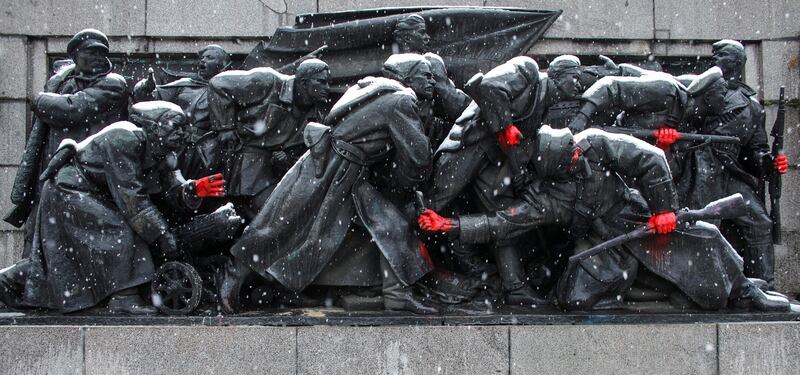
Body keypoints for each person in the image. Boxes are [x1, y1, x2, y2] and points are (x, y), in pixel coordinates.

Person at [419, 126, 789, 312]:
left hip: (637, 216)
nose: (578, 158)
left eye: (577, 154)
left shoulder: (592, 142)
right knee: (574, 298)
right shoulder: (546, 197)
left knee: (704, 237)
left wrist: (664, 209)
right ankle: (657, 284)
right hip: (604, 241)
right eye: (572, 161)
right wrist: (450, 225)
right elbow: (503, 223)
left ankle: (744, 289)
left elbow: (649, 159)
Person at [216, 54, 438, 315]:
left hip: (344, 169)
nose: (432, 81)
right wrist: (404, 183)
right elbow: (418, 156)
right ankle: (232, 274)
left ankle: (396, 294)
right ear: (407, 77)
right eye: (426, 75)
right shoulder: (401, 100)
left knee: (390, 224)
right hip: (330, 168)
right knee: (280, 226)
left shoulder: (371, 89)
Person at [0, 102, 225, 314]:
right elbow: (132, 199)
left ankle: (9, 280)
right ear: (154, 126)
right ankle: (124, 298)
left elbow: (172, 189)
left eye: (185, 127)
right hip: (71, 189)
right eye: (175, 126)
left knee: (68, 261)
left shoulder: (165, 152)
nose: (183, 134)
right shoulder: (124, 138)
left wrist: (193, 190)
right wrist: (162, 234)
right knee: (119, 232)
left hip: (102, 194)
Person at [5, 29, 128, 228]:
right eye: (91, 52)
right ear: (75, 56)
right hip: (52, 169)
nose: (98, 57)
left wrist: (39, 99)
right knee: (43, 232)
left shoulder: (113, 84)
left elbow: (72, 109)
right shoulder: (60, 84)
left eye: (101, 53)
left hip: (89, 174)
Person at [207, 59, 331, 220]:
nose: (327, 88)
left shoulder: (316, 117)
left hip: (274, 173)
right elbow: (218, 84)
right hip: (240, 162)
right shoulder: (268, 82)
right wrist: (225, 127)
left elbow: (306, 157)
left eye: (328, 83)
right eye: (321, 82)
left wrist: (286, 160)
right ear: (303, 82)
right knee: (270, 215)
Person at [132, 45, 231, 179]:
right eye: (202, 58)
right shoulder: (184, 84)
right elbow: (150, 100)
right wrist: (145, 87)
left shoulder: (227, 90)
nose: (203, 61)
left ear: (222, 64)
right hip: (175, 143)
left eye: (209, 58)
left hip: (205, 151)